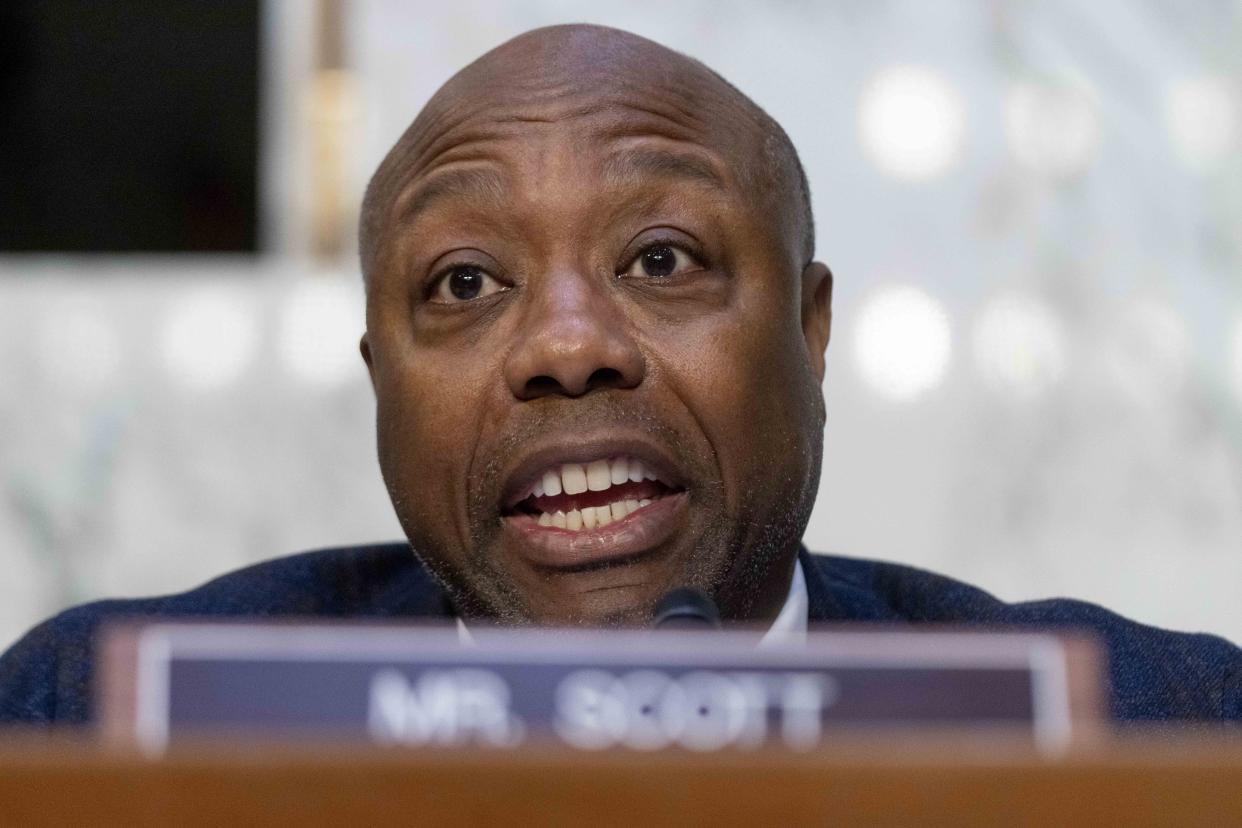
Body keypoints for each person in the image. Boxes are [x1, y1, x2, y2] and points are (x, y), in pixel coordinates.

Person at [1, 24, 1238, 725]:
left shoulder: (1153, 725)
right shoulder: (98, 716)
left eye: (662, 256)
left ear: (811, 334)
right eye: (467, 284)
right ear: (382, 380)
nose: (565, 347)